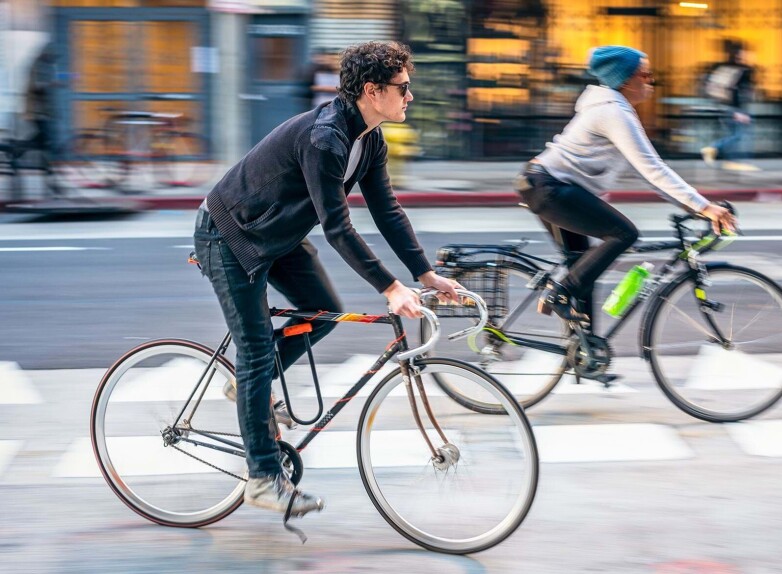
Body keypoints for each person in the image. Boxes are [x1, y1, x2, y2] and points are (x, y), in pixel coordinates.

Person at [193, 41, 461, 517]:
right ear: (372, 91)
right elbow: (338, 228)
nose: (410, 96)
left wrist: (423, 272)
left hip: (277, 234)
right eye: (403, 87)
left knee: (322, 313)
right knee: (255, 350)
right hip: (229, 235)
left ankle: (250, 385)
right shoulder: (326, 138)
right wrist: (391, 288)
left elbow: (387, 211)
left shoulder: (369, 138)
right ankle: (262, 479)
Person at [515, 45, 737, 323]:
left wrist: (696, 208)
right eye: (645, 75)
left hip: (545, 185)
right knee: (623, 234)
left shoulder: (612, 108)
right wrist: (704, 207)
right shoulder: (614, 112)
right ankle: (558, 293)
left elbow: (649, 175)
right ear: (625, 80)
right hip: (550, 188)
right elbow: (653, 169)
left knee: (583, 269)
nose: (651, 81)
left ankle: (584, 357)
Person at [700, 41, 757, 171]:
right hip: (734, 108)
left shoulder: (725, 67)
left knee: (735, 134)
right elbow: (737, 91)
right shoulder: (742, 70)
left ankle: (730, 160)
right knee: (738, 135)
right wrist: (739, 112)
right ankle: (714, 148)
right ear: (740, 54)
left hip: (723, 106)